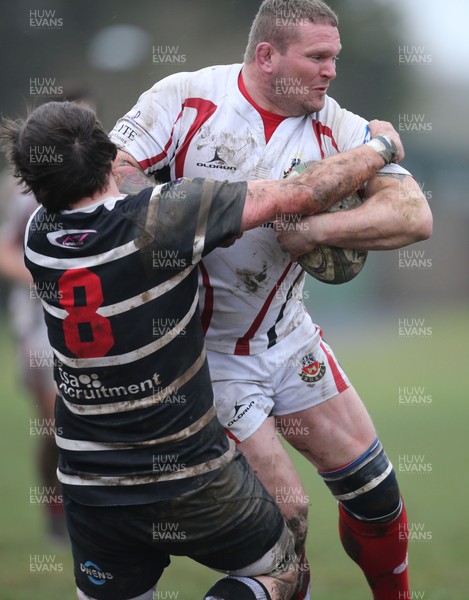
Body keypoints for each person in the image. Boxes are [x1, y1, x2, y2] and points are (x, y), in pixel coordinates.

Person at [0, 100, 402, 600]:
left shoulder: (39, 236)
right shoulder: (163, 218)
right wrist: (379, 147)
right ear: (110, 157)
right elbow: (297, 194)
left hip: (89, 484)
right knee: (280, 571)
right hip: (187, 472)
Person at [109, 1, 432, 598]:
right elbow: (112, 176)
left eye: (334, 57)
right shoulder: (185, 98)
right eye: (317, 57)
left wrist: (315, 230)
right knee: (286, 529)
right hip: (203, 359)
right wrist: (181, 214)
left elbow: (414, 216)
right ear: (266, 56)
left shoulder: (335, 124)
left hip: (289, 339)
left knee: (377, 496)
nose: (330, 71)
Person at [0, 174, 67, 544]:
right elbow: (4, 252)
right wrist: (45, 278)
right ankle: (55, 507)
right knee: (57, 422)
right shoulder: (31, 200)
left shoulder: (104, 191)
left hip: (84, 321)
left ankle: (93, 514)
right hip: (37, 324)